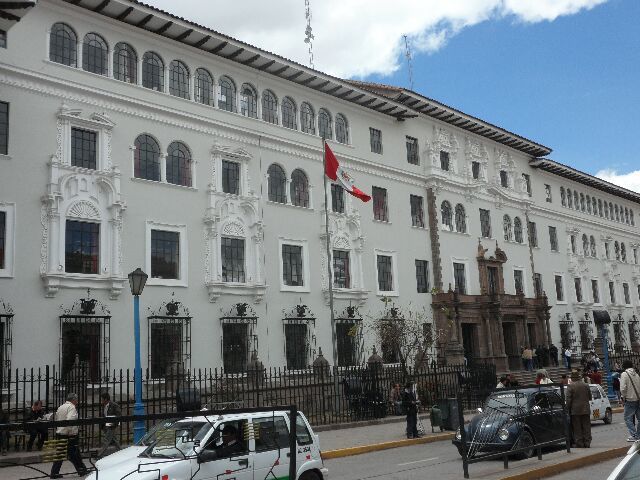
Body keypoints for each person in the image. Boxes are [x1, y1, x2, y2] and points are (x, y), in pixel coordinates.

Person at [50, 393, 88, 479]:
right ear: (73, 400)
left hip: (60, 433)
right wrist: (71, 431)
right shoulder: (71, 407)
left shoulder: (61, 407)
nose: (77, 402)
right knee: (73, 454)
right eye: (76, 400)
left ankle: (54, 473)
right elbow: (70, 421)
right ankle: (82, 470)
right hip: (69, 435)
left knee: (61, 454)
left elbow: (57, 419)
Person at [566, 370, 592, 448]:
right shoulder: (586, 385)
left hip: (575, 410)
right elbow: (590, 397)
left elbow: (568, 399)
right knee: (586, 426)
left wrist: (567, 408)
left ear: (573, 378)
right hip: (586, 409)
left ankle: (579, 443)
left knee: (577, 427)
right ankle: (587, 443)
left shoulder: (570, 386)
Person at [619, 360, 640, 442]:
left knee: (627, 418)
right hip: (638, 399)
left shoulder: (624, 374)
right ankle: (638, 434)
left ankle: (634, 435)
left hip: (630, 399)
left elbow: (623, 388)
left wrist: (623, 397)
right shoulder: (637, 375)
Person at [97, 392, 121, 458]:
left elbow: (118, 416)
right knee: (114, 441)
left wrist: (114, 424)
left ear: (105, 399)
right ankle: (121, 452)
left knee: (106, 440)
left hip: (112, 426)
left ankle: (99, 455)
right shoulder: (104, 406)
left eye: (102, 399)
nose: (101, 400)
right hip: (106, 426)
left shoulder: (114, 405)